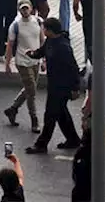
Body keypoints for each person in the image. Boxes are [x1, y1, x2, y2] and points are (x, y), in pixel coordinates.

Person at [25, 18, 80, 154]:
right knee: (61, 114)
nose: (43, 31)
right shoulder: (51, 41)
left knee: (50, 115)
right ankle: (73, 139)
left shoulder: (63, 47)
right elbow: (42, 51)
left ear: (50, 30)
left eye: (44, 29)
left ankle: (41, 144)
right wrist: (33, 54)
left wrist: (75, 88)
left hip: (62, 87)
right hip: (54, 84)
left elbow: (73, 68)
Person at [2, 0, 43, 131]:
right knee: (32, 91)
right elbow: (10, 45)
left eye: (27, 8)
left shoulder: (38, 21)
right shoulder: (15, 25)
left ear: (31, 8)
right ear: (19, 10)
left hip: (36, 60)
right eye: (22, 9)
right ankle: (34, 119)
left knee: (30, 88)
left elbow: (42, 40)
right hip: (23, 61)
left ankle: (13, 109)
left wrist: (44, 59)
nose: (25, 11)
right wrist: (7, 63)